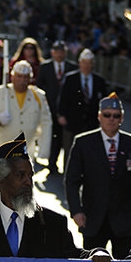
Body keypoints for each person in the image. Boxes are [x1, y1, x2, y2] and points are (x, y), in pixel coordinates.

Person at [0, 133, 111, 262]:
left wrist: (97, 253)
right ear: (1, 180)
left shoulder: (53, 224)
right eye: (20, 175)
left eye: (30, 176)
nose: (28, 181)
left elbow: (76, 257)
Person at [64, 93, 131, 259]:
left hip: (124, 219)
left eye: (116, 116)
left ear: (122, 118)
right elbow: (72, 180)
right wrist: (76, 211)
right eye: (107, 115)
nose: (111, 119)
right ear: (99, 116)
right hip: (93, 218)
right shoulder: (83, 143)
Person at [0, 60, 52, 160]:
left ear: (31, 78)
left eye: (26, 77)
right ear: (12, 77)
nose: (22, 80)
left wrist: (44, 149)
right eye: (19, 76)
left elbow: (46, 122)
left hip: (26, 150)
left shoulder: (38, 96)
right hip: (2, 149)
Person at [37, 40, 77, 174]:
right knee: (53, 136)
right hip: (50, 107)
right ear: (52, 53)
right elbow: (40, 86)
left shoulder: (72, 68)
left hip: (66, 109)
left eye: (62, 51)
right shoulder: (45, 67)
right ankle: (52, 163)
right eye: (57, 51)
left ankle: (67, 164)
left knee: (66, 138)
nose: (60, 54)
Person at [58, 48, 108, 154]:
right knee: (70, 151)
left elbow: (104, 101)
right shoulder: (70, 78)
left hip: (91, 122)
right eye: (84, 63)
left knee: (89, 152)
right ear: (79, 63)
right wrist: (61, 115)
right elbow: (63, 98)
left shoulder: (99, 81)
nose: (87, 66)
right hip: (72, 121)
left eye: (90, 63)